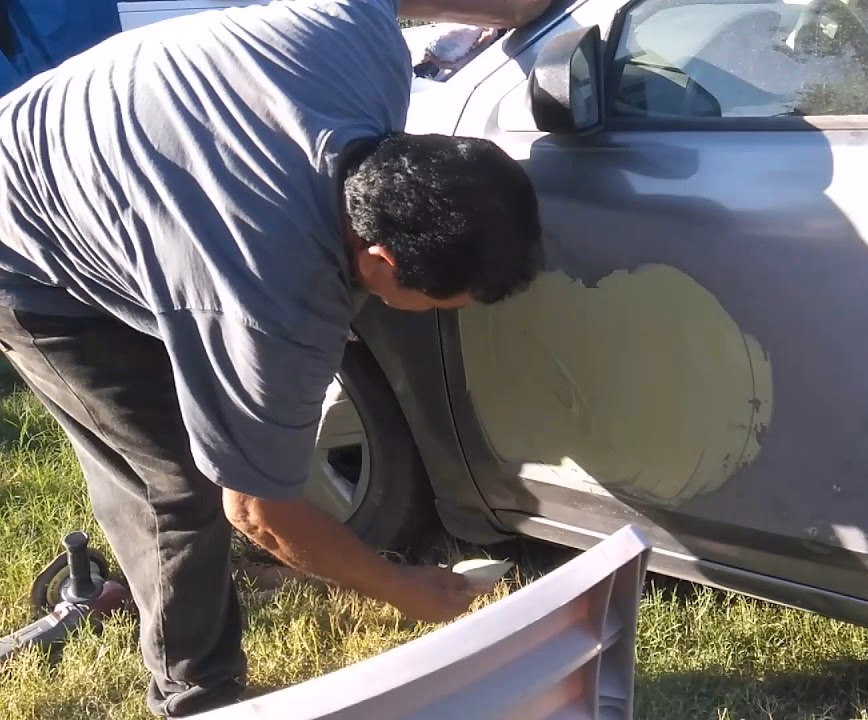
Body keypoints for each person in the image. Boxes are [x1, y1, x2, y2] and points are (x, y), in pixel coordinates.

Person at [0, 0, 549, 715]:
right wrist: (402, 589)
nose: (451, 317)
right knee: (176, 486)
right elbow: (257, 511)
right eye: (447, 302)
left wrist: (518, 9)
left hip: (115, 168)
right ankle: (197, 696)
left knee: (178, 440)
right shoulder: (272, 301)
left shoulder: (361, 49)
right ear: (380, 262)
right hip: (27, 240)